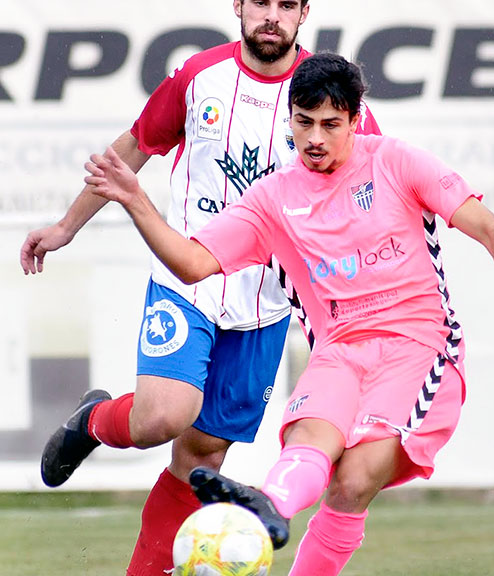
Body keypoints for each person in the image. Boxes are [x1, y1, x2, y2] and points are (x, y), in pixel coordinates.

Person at [84, 51, 494, 575]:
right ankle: (267, 504)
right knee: (308, 441)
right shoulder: (273, 197)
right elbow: (193, 263)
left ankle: (268, 502)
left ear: (355, 121)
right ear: (289, 118)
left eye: (331, 124)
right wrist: (135, 199)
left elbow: (490, 227)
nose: (314, 138)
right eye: (303, 122)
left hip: (418, 347)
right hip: (338, 350)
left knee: (354, 479)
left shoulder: (397, 162)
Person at [19, 2, 381, 575]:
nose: (272, 16)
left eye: (286, 4)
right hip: (187, 277)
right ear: (238, 6)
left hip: (263, 304)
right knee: (163, 417)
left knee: (199, 457)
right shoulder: (199, 77)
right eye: (260, 1)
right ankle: (93, 422)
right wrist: (67, 225)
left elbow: (373, 185)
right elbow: (133, 148)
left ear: (304, 12)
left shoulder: (324, 94)